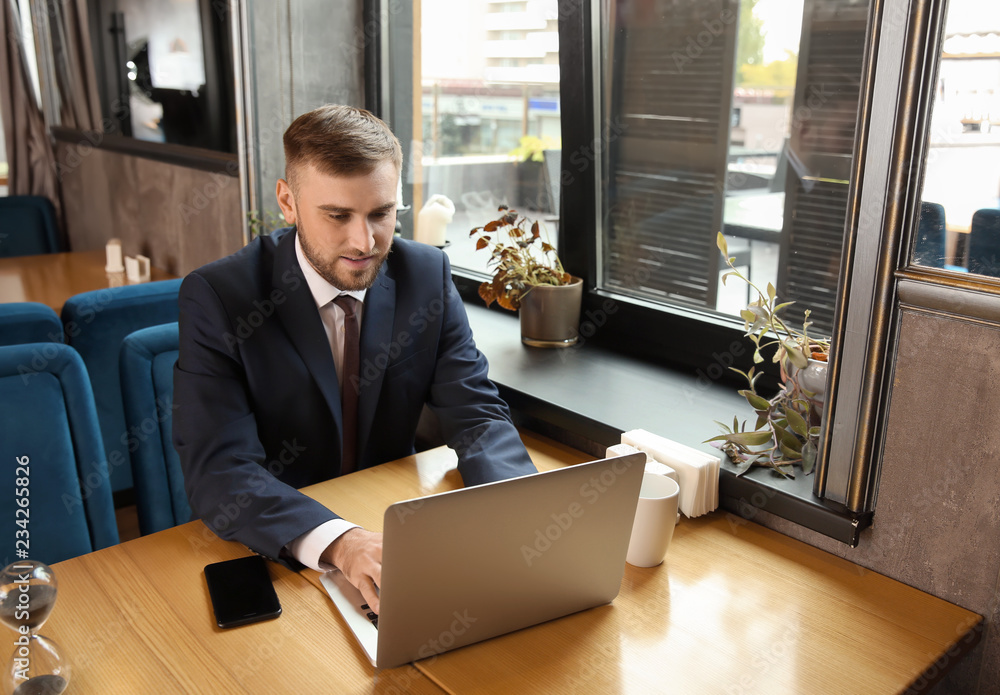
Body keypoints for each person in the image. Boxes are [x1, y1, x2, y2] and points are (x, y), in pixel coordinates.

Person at [173, 104, 536, 614]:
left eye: (381, 214)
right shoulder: (219, 296)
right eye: (338, 216)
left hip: (390, 522)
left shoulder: (426, 275)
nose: (364, 243)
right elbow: (219, 470)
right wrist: (343, 543)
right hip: (286, 550)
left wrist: (524, 511)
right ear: (288, 202)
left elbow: (475, 413)